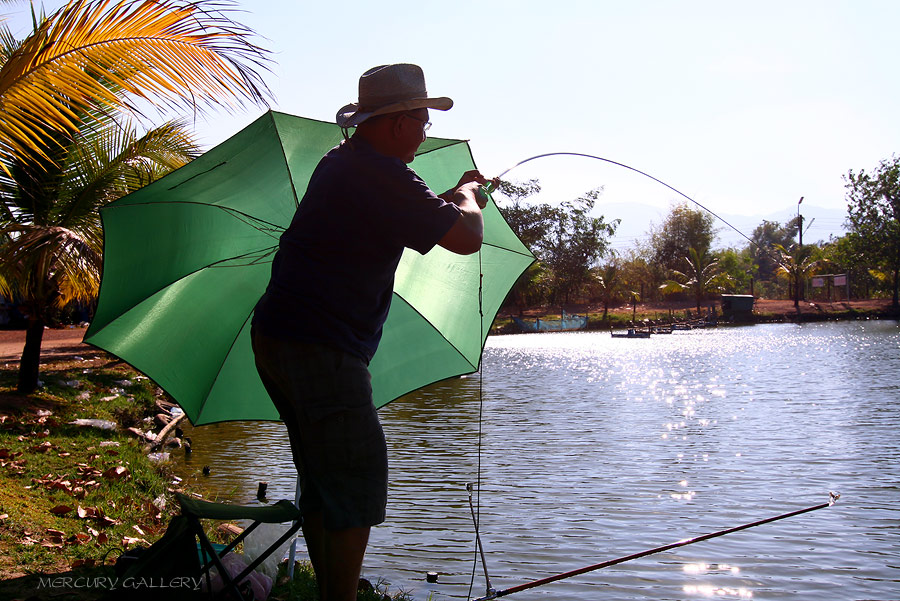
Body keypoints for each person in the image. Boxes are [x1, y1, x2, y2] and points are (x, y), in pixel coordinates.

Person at [250, 63, 495, 601]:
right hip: (321, 346)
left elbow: (427, 211)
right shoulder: (382, 174)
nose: (425, 132)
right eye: (423, 121)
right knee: (356, 478)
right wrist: (472, 196)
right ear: (397, 122)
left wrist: (452, 196)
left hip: (280, 335)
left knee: (324, 476)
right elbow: (467, 239)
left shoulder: (345, 163)